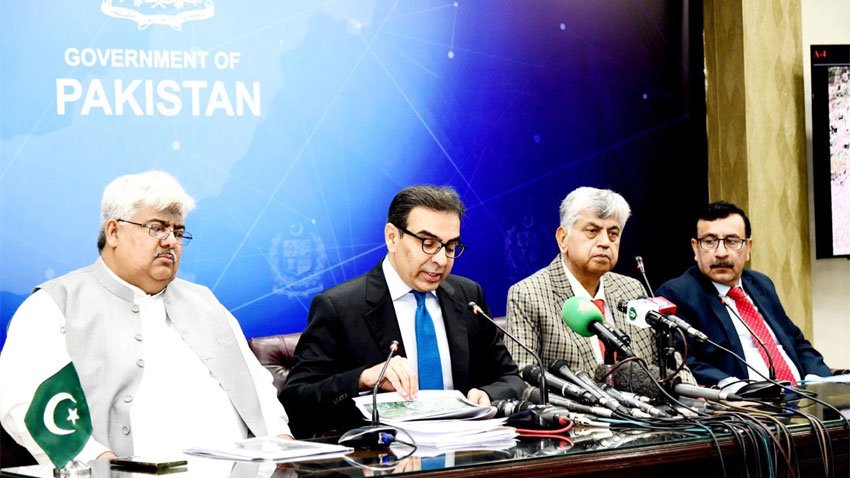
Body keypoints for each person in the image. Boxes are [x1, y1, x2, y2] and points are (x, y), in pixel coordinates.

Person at [0, 171, 292, 465]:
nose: (170, 241)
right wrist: (100, 464)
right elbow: (27, 402)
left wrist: (282, 447)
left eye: (178, 232)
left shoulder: (205, 301)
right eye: (157, 228)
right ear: (113, 232)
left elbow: (254, 382)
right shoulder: (54, 304)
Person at [281, 185, 525, 438]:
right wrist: (362, 378)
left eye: (450, 247)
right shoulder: (339, 306)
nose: (441, 260)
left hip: (464, 449)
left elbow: (510, 378)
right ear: (392, 238)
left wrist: (487, 395)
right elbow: (296, 401)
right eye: (428, 244)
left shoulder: (468, 296)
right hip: (383, 454)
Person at [505, 187, 695, 382]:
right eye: (592, 231)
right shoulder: (528, 294)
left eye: (613, 233)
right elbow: (522, 378)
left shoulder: (631, 289)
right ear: (563, 239)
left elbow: (669, 362)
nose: (605, 242)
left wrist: (693, 392)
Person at [656, 201, 831, 389]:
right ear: (695, 248)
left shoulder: (761, 284)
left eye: (732, 241)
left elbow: (796, 341)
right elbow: (681, 362)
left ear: (748, 247)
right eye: (709, 242)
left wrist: (818, 382)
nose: (721, 253)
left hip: (803, 394)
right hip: (743, 402)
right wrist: (733, 388)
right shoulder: (676, 294)